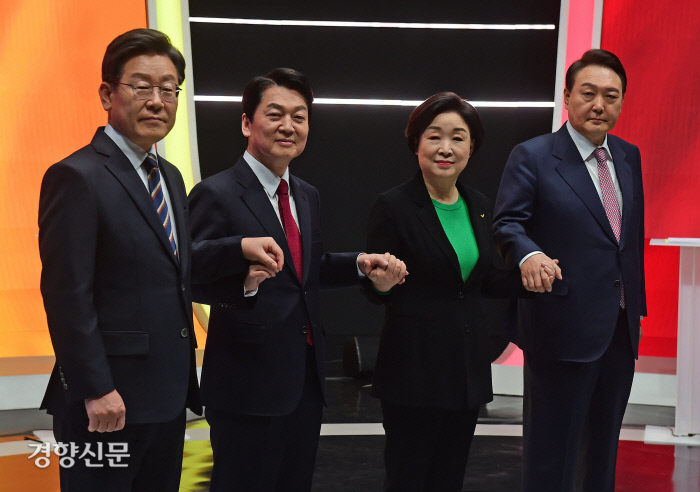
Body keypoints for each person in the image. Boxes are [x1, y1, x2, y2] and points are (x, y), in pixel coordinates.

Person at [37, 28, 281, 491]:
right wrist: (95, 388)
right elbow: (67, 295)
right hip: (103, 404)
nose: (156, 101)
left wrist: (240, 270)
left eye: (168, 89)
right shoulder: (76, 176)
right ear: (107, 94)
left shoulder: (168, 176)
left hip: (166, 397)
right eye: (141, 87)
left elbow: (172, 269)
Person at [187, 67, 406, 492]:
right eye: (275, 114)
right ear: (247, 122)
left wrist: (360, 264)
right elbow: (187, 271)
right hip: (246, 386)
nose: (288, 126)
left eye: (299, 116)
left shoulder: (306, 194)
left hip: (304, 382)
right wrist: (241, 266)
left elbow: (305, 271)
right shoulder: (216, 192)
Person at [364, 92, 553, 492]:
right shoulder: (394, 205)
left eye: (458, 137)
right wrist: (380, 284)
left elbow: (481, 281)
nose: (445, 148)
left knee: (449, 479)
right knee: (408, 480)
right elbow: (378, 286)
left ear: (472, 146)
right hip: (413, 375)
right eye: (434, 136)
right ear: (416, 143)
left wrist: (529, 277)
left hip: (464, 373)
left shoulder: (478, 205)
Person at [493, 49, 646, 491]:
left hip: (619, 328)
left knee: (602, 453)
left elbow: (625, 239)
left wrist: (634, 306)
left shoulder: (628, 156)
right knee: (552, 457)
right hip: (559, 327)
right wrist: (529, 256)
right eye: (588, 93)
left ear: (622, 102)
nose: (599, 105)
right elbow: (508, 223)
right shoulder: (533, 155)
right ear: (567, 97)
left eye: (611, 96)